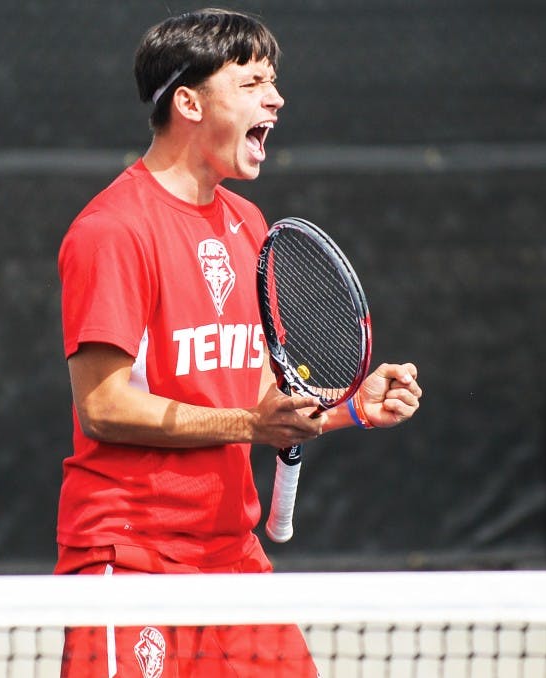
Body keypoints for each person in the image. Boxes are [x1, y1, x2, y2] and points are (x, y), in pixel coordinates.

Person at [55, 8, 422, 677]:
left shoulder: (247, 223)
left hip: (232, 558)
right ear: (189, 102)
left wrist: (348, 407)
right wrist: (248, 423)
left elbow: (256, 394)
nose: (276, 99)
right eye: (253, 83)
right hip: (134, 558)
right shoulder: (112, 231)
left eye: (273, 82)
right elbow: (102, 407)